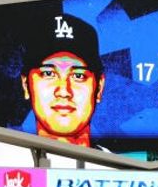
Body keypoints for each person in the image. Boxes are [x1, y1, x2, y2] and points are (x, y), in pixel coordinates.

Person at [20, 14, 105, 148]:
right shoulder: (6, 161)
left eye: (78, 76)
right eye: (48, 74)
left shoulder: (122, 168)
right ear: (26, 85)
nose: (64, 91)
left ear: (99, 88)